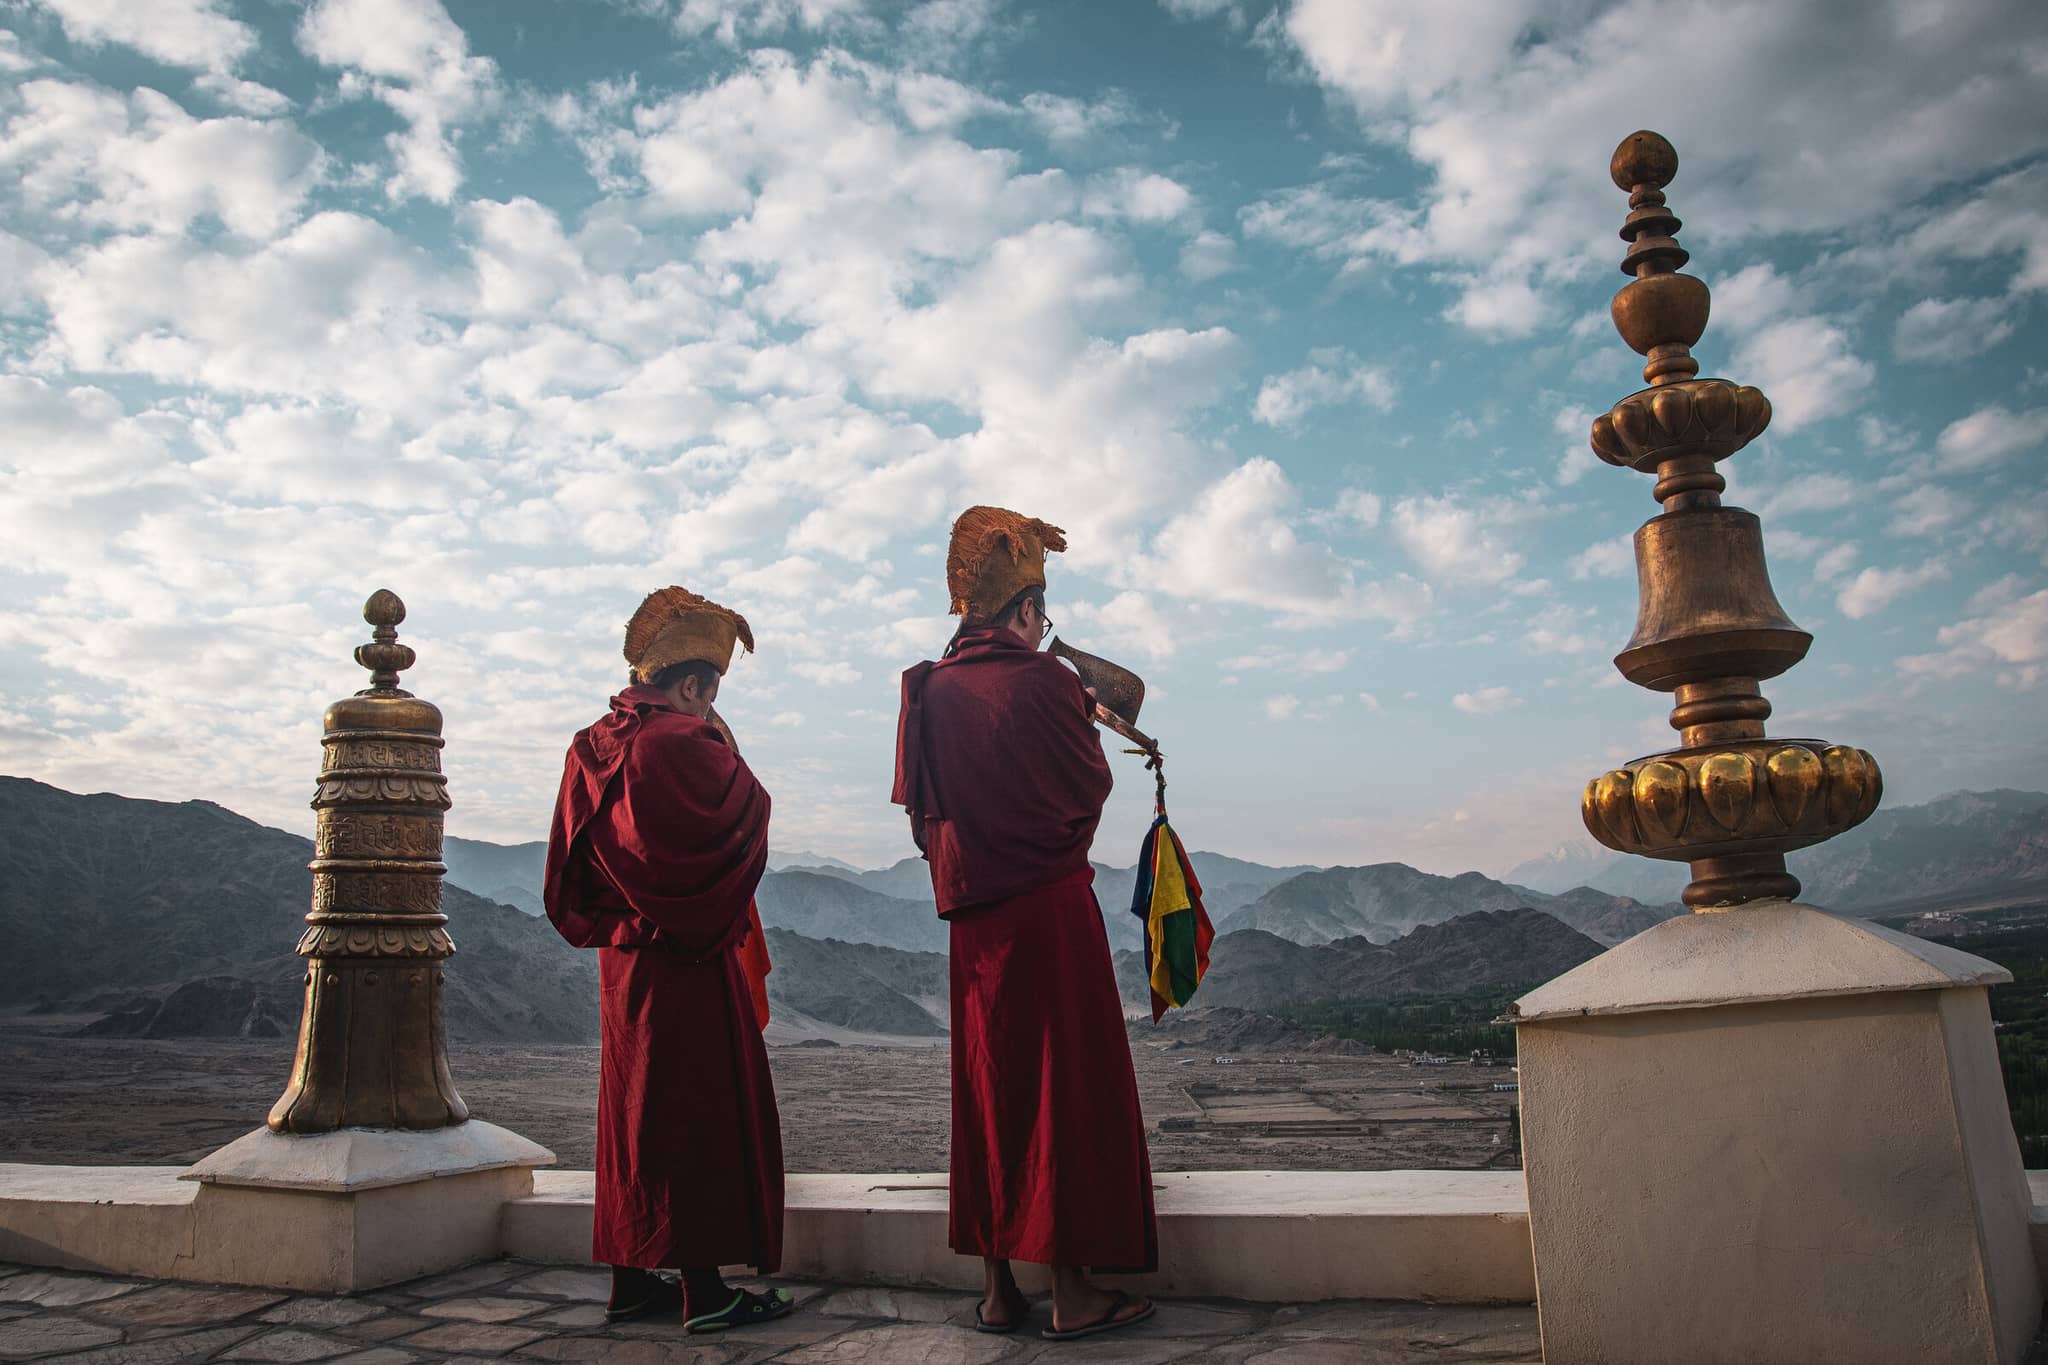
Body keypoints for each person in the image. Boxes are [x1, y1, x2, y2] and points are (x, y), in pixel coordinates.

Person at [892, 506, 1160, 1342]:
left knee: (989, 1090)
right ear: (1027, 611)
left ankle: (1000, 1290)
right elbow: (1088, 791)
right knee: (1062, 1093)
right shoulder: (1046, 681)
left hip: (973, 927)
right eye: (1044, 612)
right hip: (1049, 915)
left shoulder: (926, 689)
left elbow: (920, 816)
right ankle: (1075, 1294)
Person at [542, 586, 793, 1335]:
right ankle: (706, 1291)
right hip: (684, 959)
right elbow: (747, 813)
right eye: (709, 694)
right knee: (692, 1118)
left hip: (622, 966)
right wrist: (721, 738)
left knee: (634, 1119)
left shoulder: (593, 744)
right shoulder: (676, 744)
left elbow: (571, 869)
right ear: (690, 684)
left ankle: (630, 1280)